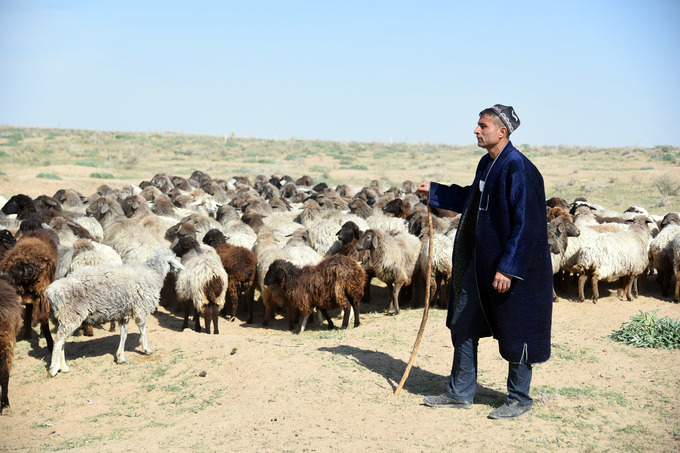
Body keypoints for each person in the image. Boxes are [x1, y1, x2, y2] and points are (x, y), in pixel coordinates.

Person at [417, 105, 552, 420]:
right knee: (462, 322)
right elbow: (471, 198)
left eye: (482, 126)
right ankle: (459, 393)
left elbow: (528, 225)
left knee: (518, 330)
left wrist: (509, 267)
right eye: (477, 126)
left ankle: (519, 399)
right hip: (480, 266)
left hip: (513, 269)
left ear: (501, 131)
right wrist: (434, 192)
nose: (476, 131)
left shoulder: (519, 169)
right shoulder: (487, 164)